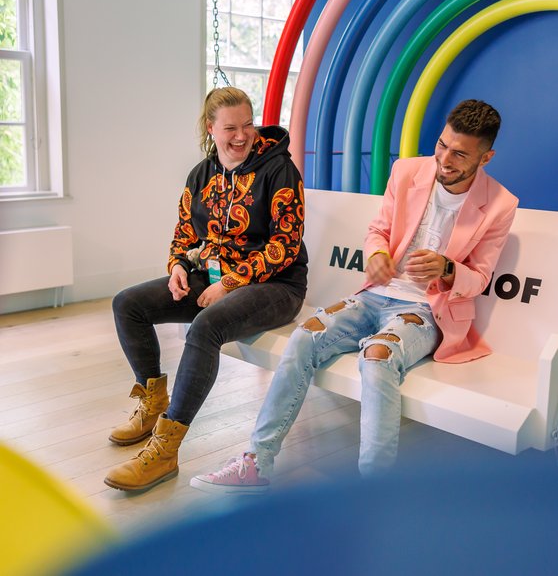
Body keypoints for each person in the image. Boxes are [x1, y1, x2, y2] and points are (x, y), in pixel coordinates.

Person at [190, 99, 519, 493]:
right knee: (305, 335)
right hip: (376, 294)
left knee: (377, 357)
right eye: (442, 145)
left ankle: (373, 494)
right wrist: (378, 254)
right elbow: (378, 230)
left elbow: (480, 277)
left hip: (427, 310)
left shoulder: (500, 205)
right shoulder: (408, 171)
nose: (444, 159)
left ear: (486, 158)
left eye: (460, 154)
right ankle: (257, 462)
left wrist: (447, 269)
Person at [104, 87, 307, 492]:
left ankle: (165, 448)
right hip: (215, 276)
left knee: (205, 327)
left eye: (248, 124)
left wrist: (231, 283)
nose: (241, 135)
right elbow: (184, 233)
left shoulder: (279, 170)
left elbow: (284, 246)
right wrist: (178, 265)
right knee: (128, 304)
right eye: (230, 127)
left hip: (276, 285)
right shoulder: (201, 175)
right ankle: (152, 400)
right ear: (210, 129)